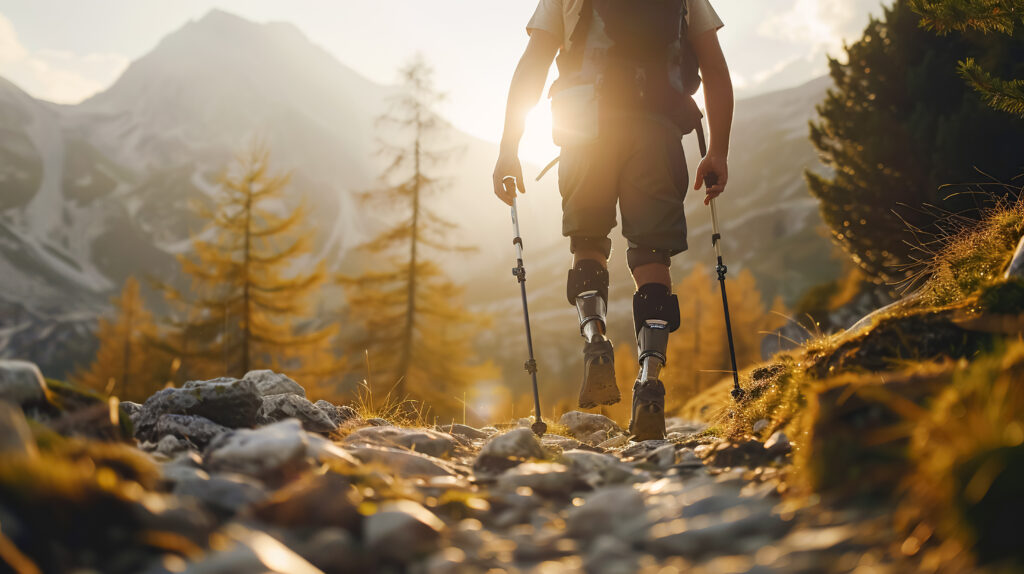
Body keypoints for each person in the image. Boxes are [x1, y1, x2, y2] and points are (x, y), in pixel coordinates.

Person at [492, 0, 733, 440]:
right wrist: (717, 150)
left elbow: (533, 65)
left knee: (588, 242)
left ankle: (595, 339)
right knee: (651, 256)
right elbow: (715, 68)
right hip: (656, 129)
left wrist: (509, 148)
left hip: (585, 125)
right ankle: (650, 381)